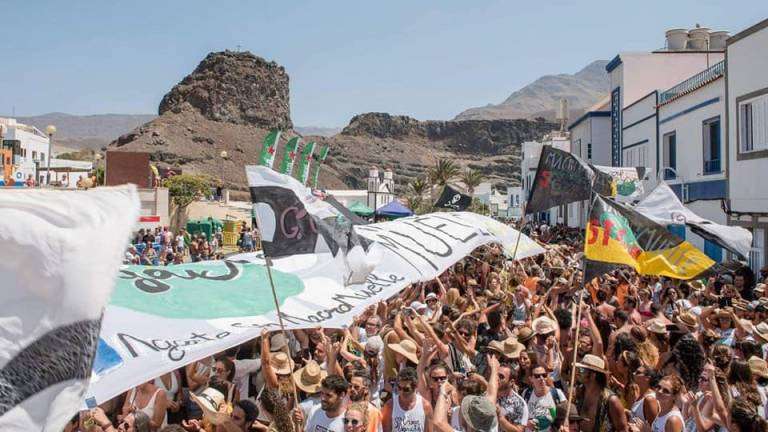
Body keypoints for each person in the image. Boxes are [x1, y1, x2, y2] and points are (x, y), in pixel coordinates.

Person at [382, 367, 433, 432]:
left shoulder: (425, 406)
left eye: (406, 389)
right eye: (399, 388)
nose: (401, 392)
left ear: (416, 386)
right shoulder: (390, 406)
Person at [523, 367, 565, 432]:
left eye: (544, 375)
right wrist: (526, 423)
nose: (542, 378)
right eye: (537, 376)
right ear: (531, 379)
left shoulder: (557, 393)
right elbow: (519, 415)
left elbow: (566, 417)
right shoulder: (526, 393)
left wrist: (561, 425)